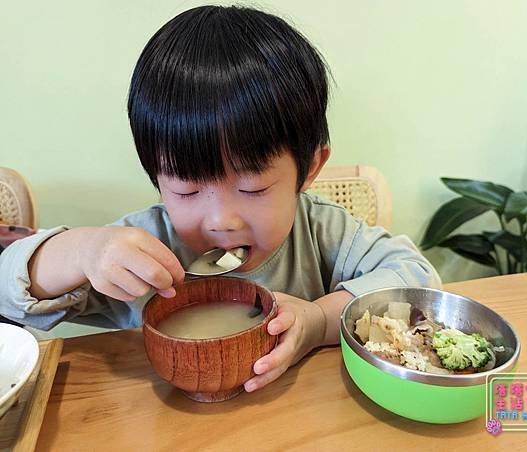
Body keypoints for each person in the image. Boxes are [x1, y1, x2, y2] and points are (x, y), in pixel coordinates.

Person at [0, 5, 441, 392]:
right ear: (157, 177)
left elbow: (417, 281)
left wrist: (319, 322)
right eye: (187, 190)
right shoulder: (141, 246)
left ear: (308, 170)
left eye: (253, 188)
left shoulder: (323, 232)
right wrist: (82, 250)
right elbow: (7, 291)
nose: (221, 219)